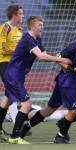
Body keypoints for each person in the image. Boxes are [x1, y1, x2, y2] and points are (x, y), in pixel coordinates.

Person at [19, 27, 76, 144]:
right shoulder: (74, 46)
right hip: (67, 82)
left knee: (52, 110)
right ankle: (60, 135)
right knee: (73, 110)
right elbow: (59, 58)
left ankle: (25, 130)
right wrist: (71, 69)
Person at [0, 16, 71, 144]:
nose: (42, 27)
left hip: (17, 75)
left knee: (7, 102)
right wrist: (61, 60)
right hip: (13, 75)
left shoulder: (37, 39)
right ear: (32, 26)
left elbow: (45, 53)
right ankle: (15, 137)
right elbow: (41, 57)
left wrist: (63, 65)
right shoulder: (28, 39)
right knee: (26, 104)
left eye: (42, 25)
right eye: (40, 25)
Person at [0, 4, 24, 141]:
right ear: (14, 15)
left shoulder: (20, 30)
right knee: (16, 95)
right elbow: (3, 49)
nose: (22, 16)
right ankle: (19, 129)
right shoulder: (5, 28)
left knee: (9, 97)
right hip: (5, 64)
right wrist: (19, 52)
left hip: (16, 67)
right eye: (20, 13)